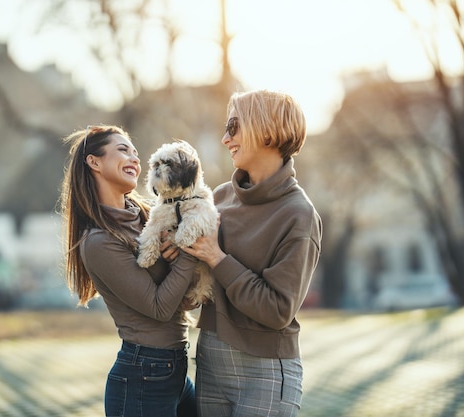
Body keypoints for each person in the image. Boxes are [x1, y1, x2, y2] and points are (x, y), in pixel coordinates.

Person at [183, 90, 323, 417]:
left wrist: (218, 258)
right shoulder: (218, 197)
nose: (224, 138)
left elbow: (277, 310)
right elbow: (196, 283)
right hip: (211, 361)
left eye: (233, 126)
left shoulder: (298, 215)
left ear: (268, 132)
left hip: (267, 372)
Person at [59, 124, 199, 417]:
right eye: (123, 150)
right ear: (94, 162)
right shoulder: (98, 241)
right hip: (143, 377)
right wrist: (188, 252)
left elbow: (182, 298)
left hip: (175, 369)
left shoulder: (150, 216)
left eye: (135, 152)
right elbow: (160, 308)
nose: (135, 158)